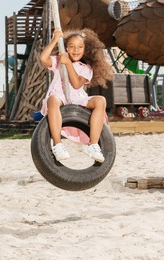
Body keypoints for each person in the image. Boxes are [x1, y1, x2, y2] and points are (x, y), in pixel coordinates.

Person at [40, 28, 113, 163]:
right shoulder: (58, 61)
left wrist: (68, 63)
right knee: (53, 100)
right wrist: (55, 40)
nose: (75, 50)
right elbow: (43, 59)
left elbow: (76, 84)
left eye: (80, 47)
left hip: (78, 97)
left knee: (100, 100)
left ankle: (93, 145)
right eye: (71, 46)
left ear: (86, 49)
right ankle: (57, 145)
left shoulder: (86, 68)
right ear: (66, 48)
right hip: (59, 96)